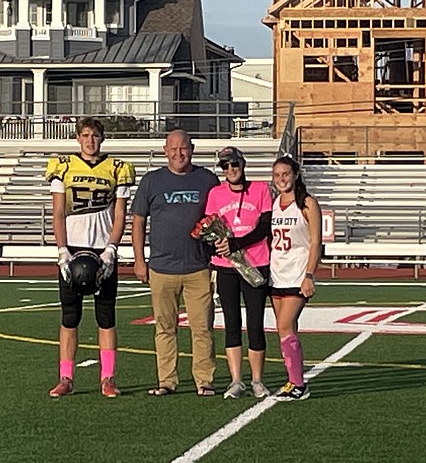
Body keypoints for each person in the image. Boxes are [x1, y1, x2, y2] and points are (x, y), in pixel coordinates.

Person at [44, 117, 135, 398]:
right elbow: (58, 212)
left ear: (102, 138)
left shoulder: (117, 168)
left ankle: (108, 378)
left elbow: (120, 214)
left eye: (95, 135)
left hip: (102, 249)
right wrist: (62, 250)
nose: (90, 140)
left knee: (106, 317)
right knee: (70, 316)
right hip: (72, 248)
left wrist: (112, 249)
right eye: (85, 135)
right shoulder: (64, 166)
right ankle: (66, 377)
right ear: (78, 138)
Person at [130, 129, 219, 396]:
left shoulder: (207, 179)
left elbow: (218, 217)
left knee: (202, 328)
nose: (179, 153)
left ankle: (204, 380)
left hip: (198, 268)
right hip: (161, 268)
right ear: (165, 150)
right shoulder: (152, 181)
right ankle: (166, 380)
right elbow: (138, 221)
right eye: (174, 148)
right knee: (165, 328)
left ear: (192, 149)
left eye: (184, 148)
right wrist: (139, 260)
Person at [206, 146, 272, 399]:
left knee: (255, 323)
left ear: (243, 165)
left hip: (256, 263)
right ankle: (236, 380)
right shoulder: (215, 194)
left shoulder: (261, 190)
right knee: (231, 322)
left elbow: (264, 227)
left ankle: (257, 380)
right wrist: (217, 244)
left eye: (234, 164)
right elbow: (209, 226)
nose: (231, 170)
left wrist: (236, 244)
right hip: (227, 267)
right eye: (225, 166)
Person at [269, 156, 321, 401]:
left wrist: (309, 275)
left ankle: (299, 384)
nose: (281, 179)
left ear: (296, 174)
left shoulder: (307, 203)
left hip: (297, 274)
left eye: (286, 174)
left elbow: (315, 243)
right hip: (276, 275)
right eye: (277, 175)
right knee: (285, 330)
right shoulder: (275, 204)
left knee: (284, 326)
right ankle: (293, 380)